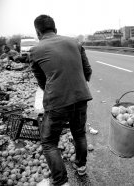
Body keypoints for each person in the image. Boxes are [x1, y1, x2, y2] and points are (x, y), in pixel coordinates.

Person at [29, 14, 93, 186]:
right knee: (79, 133)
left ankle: (61, 181)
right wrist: (77, 86)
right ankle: (81, 166)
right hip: (81, 97)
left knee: (49, 142)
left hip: (56, 101)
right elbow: (87, 71)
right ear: (55, 29)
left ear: (38, 32)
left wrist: (54, 91)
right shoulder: (75, 43)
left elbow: (41, 80)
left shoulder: (35, 51)